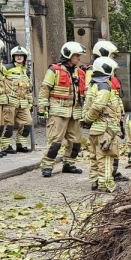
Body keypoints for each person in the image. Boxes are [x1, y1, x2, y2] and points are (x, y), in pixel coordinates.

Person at [37, 42, 86, 177]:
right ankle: (47, 166)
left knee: (76, 141)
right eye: (76, 56)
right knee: (55, 141)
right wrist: (42, 108)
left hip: (74, 112)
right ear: (69, 56)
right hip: (58, 111)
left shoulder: (79, 72)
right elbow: (44, 89)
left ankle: (69, 164)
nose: (79, 58)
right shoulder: (54, 70)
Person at [82, 57, 122, 193]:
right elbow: (98, 106)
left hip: (95, 130)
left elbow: (87, 105)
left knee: (94, 157)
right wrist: (88, 119)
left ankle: (94, 182)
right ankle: (106, 184)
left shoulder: (93, 85)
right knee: (105, 158)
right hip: (105, 130)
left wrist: (86, 120)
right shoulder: (104, 86)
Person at [3, 46, 33, 153]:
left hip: (23, 103)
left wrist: (30, 103)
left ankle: (21, 144)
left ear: (24, 57)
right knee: (8, 125)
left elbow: (28, 89)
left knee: (27, 123)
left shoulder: (26, 71)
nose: (19, 57)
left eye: (21, 56)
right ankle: (5, 146)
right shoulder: (6, 68)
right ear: (13, 57)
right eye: (17, 55)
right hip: (10, 102)